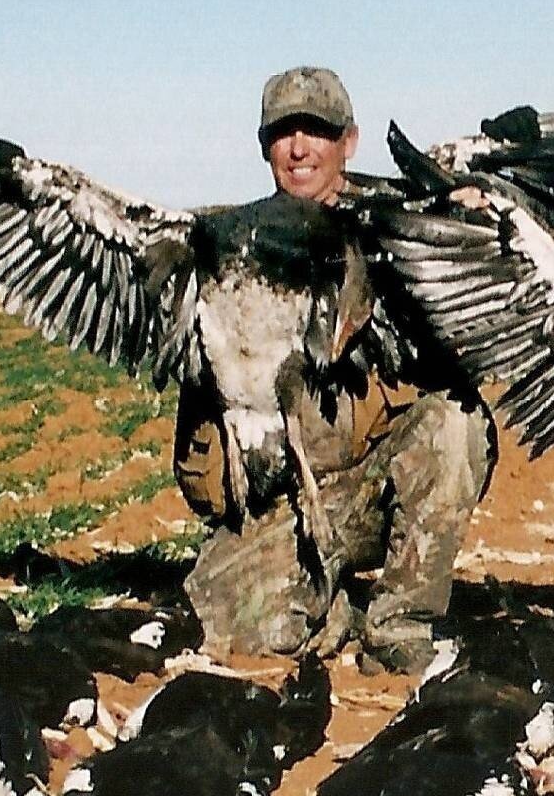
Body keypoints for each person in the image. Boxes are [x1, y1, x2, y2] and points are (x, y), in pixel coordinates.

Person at [176, 66, 496, 673]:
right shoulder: (221, 248)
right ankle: (332, 610)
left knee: (454, 425)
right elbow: (203, 484)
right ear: (264, 144)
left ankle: (401, 622)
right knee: (233, 630)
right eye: (283, 132)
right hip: (277, 510)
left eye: (316, 131)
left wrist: (471, 229)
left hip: (373, 487)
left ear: (348, 141)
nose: (299, 148)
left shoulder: (403, 230)